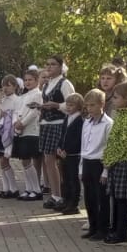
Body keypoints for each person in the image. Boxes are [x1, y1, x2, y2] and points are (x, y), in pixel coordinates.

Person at [101, 81, 127, 244]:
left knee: (122, 199)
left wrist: (109, 160)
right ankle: (114, 229)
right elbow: (112, 140)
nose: (113, 100)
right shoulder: (120, 114)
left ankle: (121, 233)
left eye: (116, 97)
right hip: (114, 161)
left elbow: (124, 143)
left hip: (124, 161)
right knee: (114, 196)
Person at [36, 56, 75, 209]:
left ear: (61, 67)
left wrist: (57, 105)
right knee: (48, 161)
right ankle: (55, 194)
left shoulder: (64, 83)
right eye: (48, 64)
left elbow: (73, 103)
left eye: (53, 64)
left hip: (59, 124)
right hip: (46, 123)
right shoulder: (47, 84)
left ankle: (64, 195)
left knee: (60, 161)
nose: (50, 67)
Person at [78, 89, 112, 238]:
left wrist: (106, 170)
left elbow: (109, 147)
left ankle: (103, 228)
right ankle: (93, 226)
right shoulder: (87, 122)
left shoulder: (108, 123)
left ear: (101, 104)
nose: (89, 109)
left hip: (99, 162)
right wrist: (80, 166)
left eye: (92, 105)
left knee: (101, 199)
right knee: (89, 197)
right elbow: (83, 145)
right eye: (87, 106)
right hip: (87, 162)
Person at [11, 69, 45, 201]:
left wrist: (22, 123)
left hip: (31, 131)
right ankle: (28, 188)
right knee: (24, 161)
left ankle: (36, 189)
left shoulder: (38, 95)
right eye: (25, 80)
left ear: (37, 80)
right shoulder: (23, 96)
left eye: (30, 79)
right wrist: (16, 123)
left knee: (28, 159)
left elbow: (34, 112)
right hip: (21, 131)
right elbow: (16, 111)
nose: (27, 82)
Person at [0, 76, 22, 198]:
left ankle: (13, 188)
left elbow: (18, 115)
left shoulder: (17, 100)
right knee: (1, 160)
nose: (5, 88)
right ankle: (5, 188)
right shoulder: (1, 100)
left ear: (14, 86)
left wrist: (7, 115)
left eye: (8, 85)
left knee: (5, 160)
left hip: (9, 131)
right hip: (0, 130)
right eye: (4, 85)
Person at [58, 92, 85, 216]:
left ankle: (73, 203)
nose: (68, 107)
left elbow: (78, 139)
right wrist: (59, 147)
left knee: (73, 179)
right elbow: (62, 134)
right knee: (65, 178)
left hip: (73, 155)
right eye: (67, 105)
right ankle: (66, 200)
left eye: (71, 105)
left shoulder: (80, 120)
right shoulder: (67, 118)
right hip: (64, 154)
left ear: (78, 106)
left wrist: (67, 150)